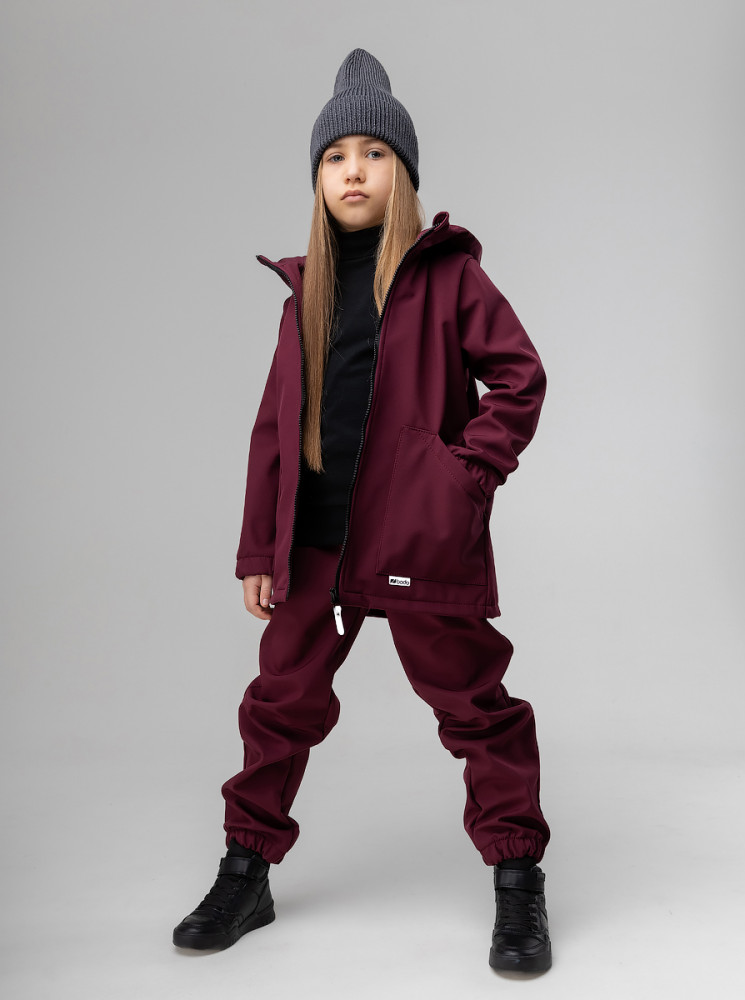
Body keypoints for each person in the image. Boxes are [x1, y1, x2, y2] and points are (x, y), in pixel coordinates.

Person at [172, 47, 553, 974]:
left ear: (403, 176)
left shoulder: (449, 277)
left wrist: (464, 479)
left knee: (476, 706)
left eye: (374, 155)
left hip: (421, 541)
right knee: (279, 704)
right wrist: (258, 549)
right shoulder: (304, 291)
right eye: (336, 157)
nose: (354, 170)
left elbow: (520, 377)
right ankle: (246, 870)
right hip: (314, 546)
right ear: (318, 179)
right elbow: (273, 430)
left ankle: (517, 879)